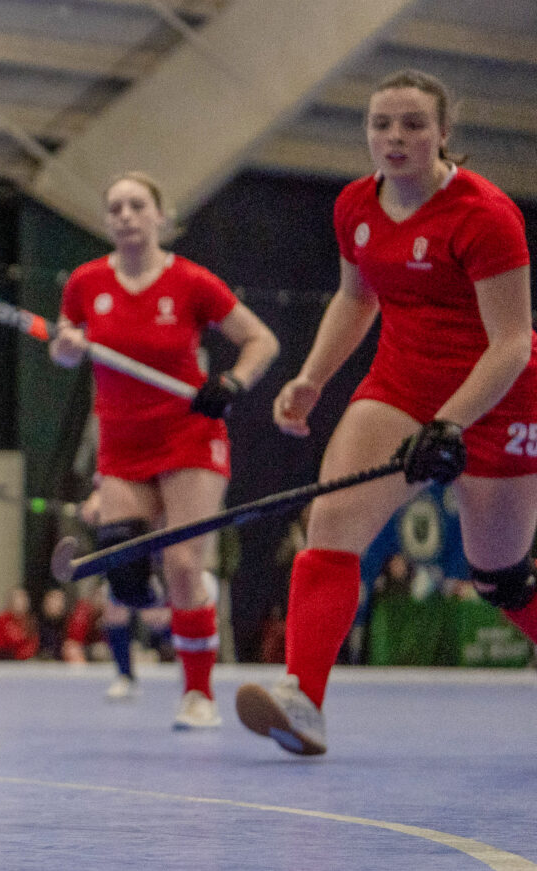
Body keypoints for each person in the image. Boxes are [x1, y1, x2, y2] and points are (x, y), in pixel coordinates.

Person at [243, 70, 537, 757]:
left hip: (499, 395)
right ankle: (303, 702)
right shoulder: (355, 205)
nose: (395, 137)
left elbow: (512, 344)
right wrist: (313, 378)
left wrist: (451, 424)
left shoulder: (486, 215)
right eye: (381, 124)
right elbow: (357, 298)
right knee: (330, 525)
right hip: (400, 385)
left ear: (443, 134)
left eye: (412, 124)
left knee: (498, 575)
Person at [53, 173, 278, 726]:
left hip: (189, 437)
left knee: (182, 564)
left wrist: (233, 383)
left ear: (160, 216)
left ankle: (197, 695)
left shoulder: (191, 282)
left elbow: (262, 340)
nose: (126, 215)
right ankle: (169, 597)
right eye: (115, 208)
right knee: (125, 574)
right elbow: (64, 349)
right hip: (121, 446)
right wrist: (66, 346)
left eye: (137, 205)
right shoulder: (85, 283)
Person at [0, 588, 38, 662]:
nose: (20, 603)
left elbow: (33, 644)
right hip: (4, 662)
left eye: (23, 600)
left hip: (26, 662)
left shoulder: (30, 621)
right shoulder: (1, 620)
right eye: (17, 600)